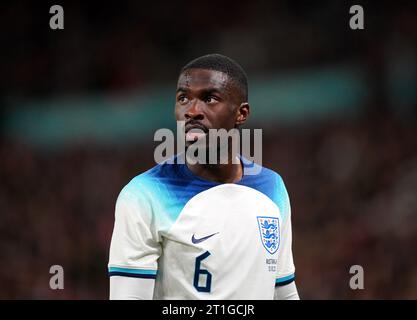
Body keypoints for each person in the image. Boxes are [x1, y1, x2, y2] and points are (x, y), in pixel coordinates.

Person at [108, 53, 299, 299]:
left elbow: (283, 292)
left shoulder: (272, 189)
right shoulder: (143, 196)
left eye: (209, 98)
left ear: (241, 114)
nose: (192, 111)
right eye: (183, 98)